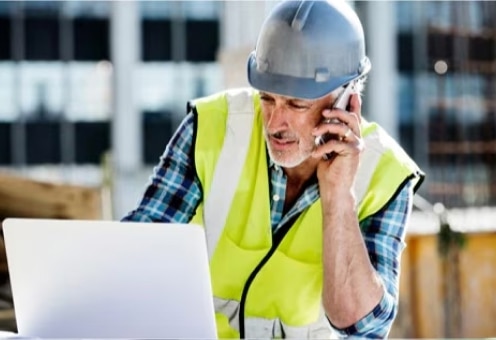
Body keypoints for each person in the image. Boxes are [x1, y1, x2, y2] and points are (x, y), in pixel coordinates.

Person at [123, 0, 424, 338]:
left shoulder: (386, 175)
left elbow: (361, 326)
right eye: (267, 98)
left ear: (346, 101)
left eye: (297, 104)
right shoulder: (210, 128)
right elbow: (138, 252)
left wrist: (339, 197)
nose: (275, 122)